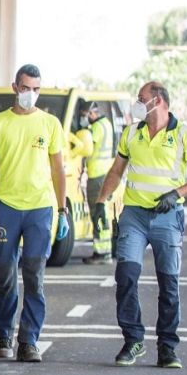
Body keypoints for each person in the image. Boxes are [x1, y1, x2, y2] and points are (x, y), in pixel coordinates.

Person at [93, 82, 187, 368]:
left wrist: (177, 194)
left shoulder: (183, 134)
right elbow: (117, 171)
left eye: (141, 99)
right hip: (134, 215)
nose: (137, 103)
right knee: (126, 275)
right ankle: (133, 340)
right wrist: (101, 200)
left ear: (157, 101)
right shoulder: (132, 133)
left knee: (168, 283)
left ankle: (167, 347)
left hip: (167, 217)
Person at [0, 64, 67, 363]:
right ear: (15, 87)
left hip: (39, 208)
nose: (30, 94)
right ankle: (4, 335)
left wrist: (62, 211)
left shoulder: (50, 124)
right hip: (6, 207)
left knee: (35, 275)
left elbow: (58, 169)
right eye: (25, 88)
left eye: (36, 89)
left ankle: (29, 340)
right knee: (4, 273)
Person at [72, 100, 117, 264]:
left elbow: (85, 147)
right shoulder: (107, 124)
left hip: (97, 176)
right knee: (102, 212)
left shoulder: (95, 128)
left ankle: (102, 253)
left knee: (98, 213)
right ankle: (105, 251)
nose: (85, 119)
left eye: (85, 115)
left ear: (92, 113)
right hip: (105, 174)